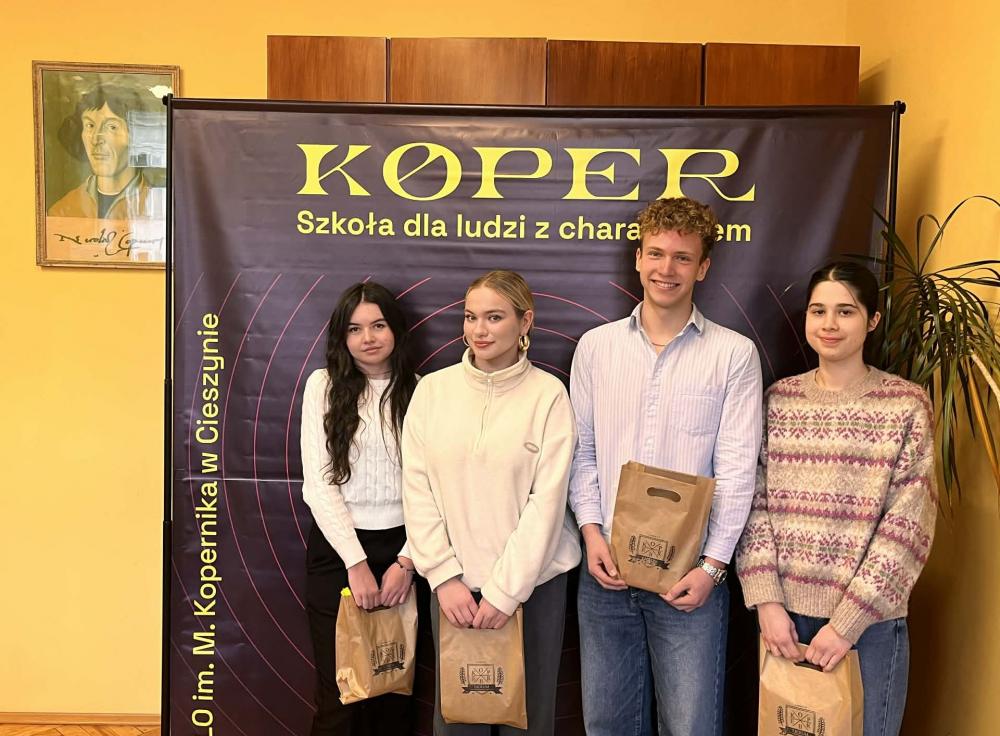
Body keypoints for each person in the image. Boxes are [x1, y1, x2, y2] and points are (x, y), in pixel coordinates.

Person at [569, 197, 763, 736]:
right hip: (605, 570)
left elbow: (737, 471)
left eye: (682, 257)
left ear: (703, 268)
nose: (666, 269)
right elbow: (581, 452)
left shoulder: (734, 355)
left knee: (690, 727)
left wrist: (713, 568)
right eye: (656, 253)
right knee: (606, 726)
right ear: (638, 258)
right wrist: (591, 533)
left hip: (690, 577)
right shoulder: (596, 348)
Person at [736, 261, 936, 736]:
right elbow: (753, 503)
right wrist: (766, 603)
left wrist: (847, 623)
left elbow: (908, 526)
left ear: (873, 320)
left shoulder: (906, 404)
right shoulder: (779, 400)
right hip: (784, 623)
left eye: (846, 311)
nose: (829, 324)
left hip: (869, 627)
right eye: (818, 310)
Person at [402, 270, 581, 736]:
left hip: (534, 591)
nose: (479, 330)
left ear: (526, 322)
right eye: (470, 317)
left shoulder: (548, 396)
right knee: (457, 724)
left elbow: (547, 504)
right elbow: (417, 490)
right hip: (453, 592)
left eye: (494, 317)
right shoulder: (432, 391)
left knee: (529, 723)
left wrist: (505, 592)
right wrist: (443, 577)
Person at [299, 281, 419, 736]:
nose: (367, 338)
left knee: (392, 694)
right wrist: (356, 563)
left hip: (406, 550)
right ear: (341, 337)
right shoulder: (323, 386)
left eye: (378, 325)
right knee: (341, 698)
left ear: (396, 330)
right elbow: (319, 484)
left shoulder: (421, 391)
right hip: (339, 552)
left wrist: (406, 563)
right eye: (354, 329)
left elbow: (433, 490)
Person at [48, 83, 161, 220]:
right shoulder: (63, 211)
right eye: (90, 125)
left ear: (137, 137)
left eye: (112, 127)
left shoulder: (160, 207)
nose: (96, 139)